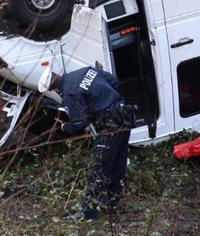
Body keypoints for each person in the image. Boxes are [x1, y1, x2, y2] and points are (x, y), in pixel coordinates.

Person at [49, 66, 136, 220]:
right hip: (124, 115)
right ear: (57, 74)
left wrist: (63, 127)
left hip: (110, 125)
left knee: (100, 169)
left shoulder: (69, 94)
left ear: (53, 89)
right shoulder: (85, 70)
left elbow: (80, 123)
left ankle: (89, 213)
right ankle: (111, 205)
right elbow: (114, 81)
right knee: (118, 164)